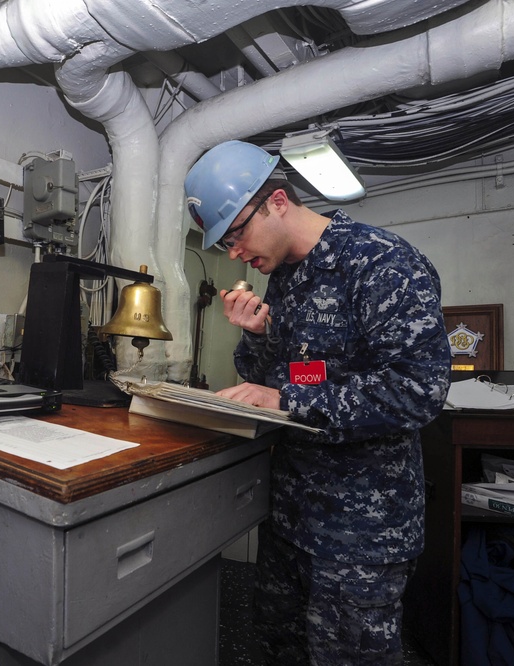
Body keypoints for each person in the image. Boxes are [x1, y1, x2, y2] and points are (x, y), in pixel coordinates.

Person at [184, 140, 451, 665]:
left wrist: (285, 395)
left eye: (236, 234)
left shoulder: (381, 264)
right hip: (290, 517)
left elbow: (418, 391)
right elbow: (277, 382)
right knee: (279, 647)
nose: (235, 253)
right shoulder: (284, 279)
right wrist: (257, 337)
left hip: (360, 535)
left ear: (278, 201)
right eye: (225, 243)